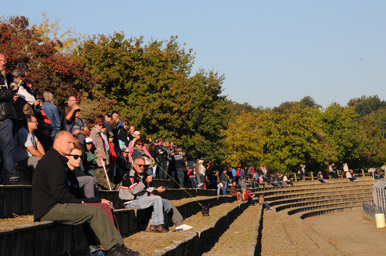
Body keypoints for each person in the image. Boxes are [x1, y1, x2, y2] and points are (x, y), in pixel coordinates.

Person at [32, 131, 138, 255]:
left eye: (73, 142)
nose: (72, 146)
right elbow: (59, 193)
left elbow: (63, 192)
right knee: (95, 212)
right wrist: (79, 203)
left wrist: (81, 202)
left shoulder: (57, 159)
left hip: (55, 204)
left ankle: (119, 246)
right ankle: (114, 250)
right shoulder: (53, 161)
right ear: (57, 142)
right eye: (69, 142)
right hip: (49, 208)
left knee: (98, 210)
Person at [119, 156, 192, 232]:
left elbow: (143, 191)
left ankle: (180, 224)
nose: (142, 167)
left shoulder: (140, 175)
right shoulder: (131, 174)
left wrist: (155, 191)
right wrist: (146, 182)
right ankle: (156, 225)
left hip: (138, 199)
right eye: (140, 165)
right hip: (130, 202)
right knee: (157, 199)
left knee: (166, 202)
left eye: (144, 166)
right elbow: (134, 191)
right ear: (134, 165)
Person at [0, 52, 20, 185]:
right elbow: (1, 94)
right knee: (8, 146)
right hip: (3, 117)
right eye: (1, 61)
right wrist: (12, 90)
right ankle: (12, 174)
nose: (4, 63)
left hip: (5, 116)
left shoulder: (4, 77)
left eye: (5, 61)